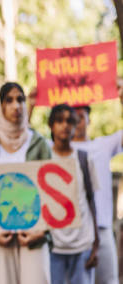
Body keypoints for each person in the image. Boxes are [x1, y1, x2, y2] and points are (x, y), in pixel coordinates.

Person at [0, 82, 51, 284]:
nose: (16, 105)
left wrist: (42, 232)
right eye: (9, 100)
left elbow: (53, 192)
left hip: (34, 237)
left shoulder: (40, 144)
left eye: (20, 99)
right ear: (0, 106)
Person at [70, 105, 122, 284]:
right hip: (74, 231)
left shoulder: (102, 145)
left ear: (89, 119)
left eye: (81, 117)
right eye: (72, 118)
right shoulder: (58, 149)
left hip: (101, 227)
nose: (77, 123)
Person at [46, 104, 99, 284]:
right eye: (59, 120)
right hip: (53, 245)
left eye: (70, 121)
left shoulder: (84, 159)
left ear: (76, 126)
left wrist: (96, 245)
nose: (65, 125)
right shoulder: (43, 159)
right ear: (51, 125)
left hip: (83, 243)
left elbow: (91, 201)